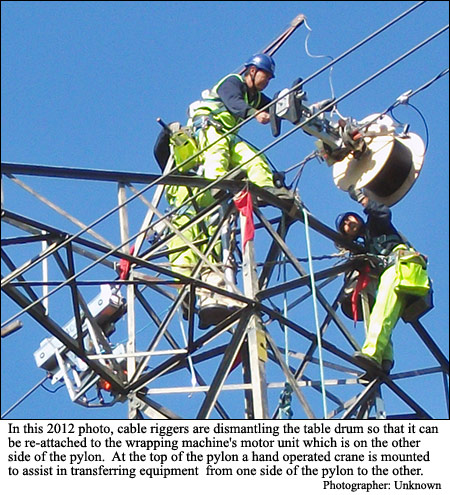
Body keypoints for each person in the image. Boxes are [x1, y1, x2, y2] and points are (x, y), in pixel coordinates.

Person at [156, 54, 295, 329]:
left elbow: (275, 108)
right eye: (264, 77)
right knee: (216, 156)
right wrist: (254, 114)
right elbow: (234, 103)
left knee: (253, 158)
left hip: (228, 135)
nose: (266, 83)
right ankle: (218, 186)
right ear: (252, 71)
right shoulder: (232, 83)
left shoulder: (254, 97)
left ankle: (267, 189)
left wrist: (294, 109)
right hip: (210, 127)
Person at [336, 186, 430, 376]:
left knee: (380, 311)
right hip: (403, 274)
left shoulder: (375, 225)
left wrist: (363, 199)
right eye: (344, 225)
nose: (348, 222)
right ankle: (385, 360)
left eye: (349, 218)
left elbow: (383, 213)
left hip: (399, 266)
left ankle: (372, 353)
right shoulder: (366, 246)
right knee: (385, 313)